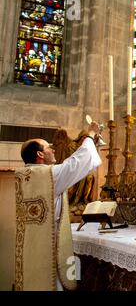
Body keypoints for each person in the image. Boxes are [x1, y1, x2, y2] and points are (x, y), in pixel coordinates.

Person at [14, 122, 102, 291]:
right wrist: (90, 135)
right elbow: (77, 163)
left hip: (31, 246)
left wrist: (91, 142)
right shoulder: (48, 176)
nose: (53, 149)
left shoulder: (25, 175)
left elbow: (76, 163)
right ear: (40, 154)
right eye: (49, 147)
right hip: (48, 248)